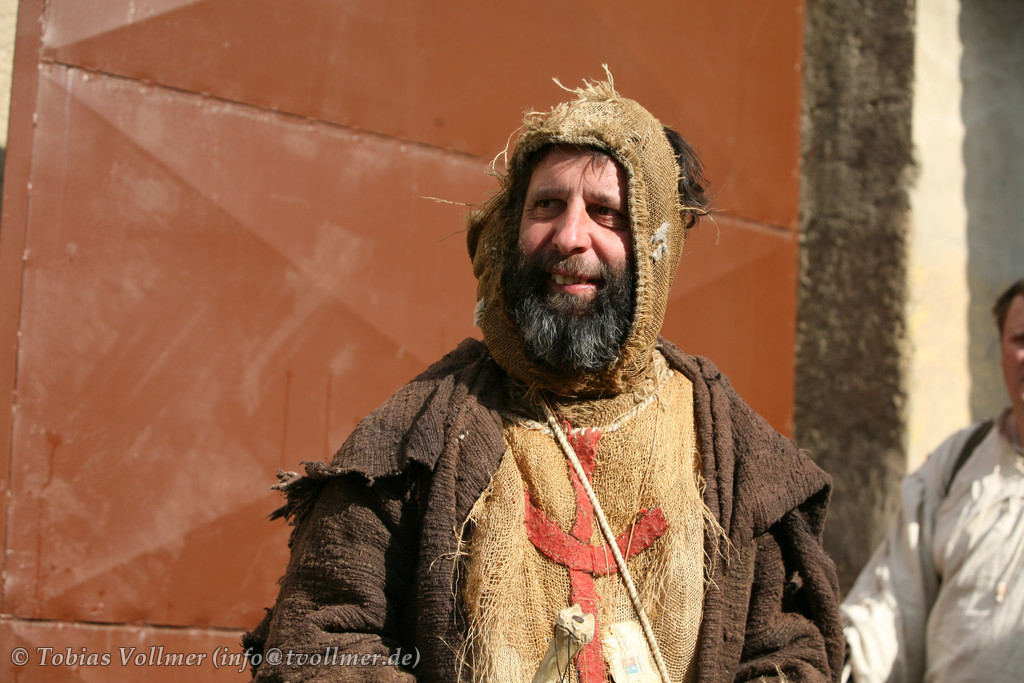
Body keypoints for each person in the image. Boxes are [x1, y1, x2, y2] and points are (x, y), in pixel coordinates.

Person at [245, 71, 843, 682]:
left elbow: (790, 654)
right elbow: (319, 646)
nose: (570, 236)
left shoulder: (730, 449)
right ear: (513, 229)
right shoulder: (419, 435)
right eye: (547, 206)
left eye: (607, 212)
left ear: (656, 244)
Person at [841, 277, 1024, 682]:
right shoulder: (959, 460)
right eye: (1020, 339)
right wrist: (842, 657)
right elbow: (896, 603)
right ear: (1001, 353)